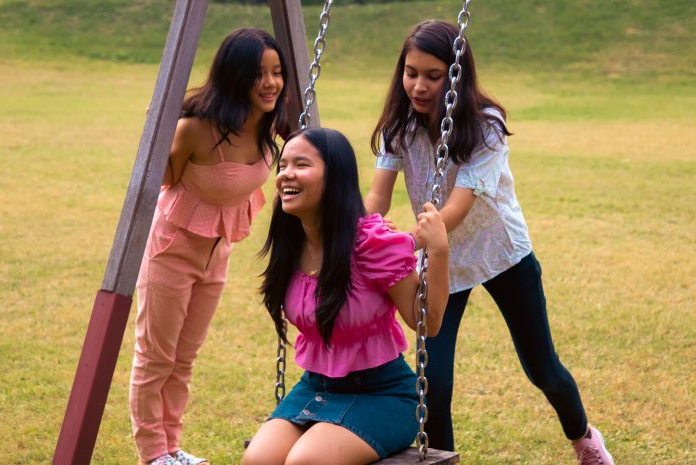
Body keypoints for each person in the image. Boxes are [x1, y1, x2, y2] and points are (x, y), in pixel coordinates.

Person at [364, 20, 615, 465]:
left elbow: (456, 211)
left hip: (502, 254)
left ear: (456, 76)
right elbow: (379, 196)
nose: (418, 86)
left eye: (433, 76)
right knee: (433, 383)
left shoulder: (485, 126)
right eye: (411, 72)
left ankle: (585, 440)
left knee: (543, 369)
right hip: (444, 263)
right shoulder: (398, 126)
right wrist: (361, 235)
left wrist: (404, 244)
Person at [242, 127, 450, 465]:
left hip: (383, 393)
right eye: (283, 165)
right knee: (257, 460)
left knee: (305, 462)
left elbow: (428, 323)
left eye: (302, 164)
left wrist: (438, 250)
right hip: (316, 387)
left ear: (334, 178)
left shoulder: (371, 243)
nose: (286, 175)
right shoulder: (290, 243)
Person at [129, 28, 288, 465]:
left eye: (276, 72)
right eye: (258, 74)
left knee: (184, 358)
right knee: (156, 357)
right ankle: (152, 455)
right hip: (171, 251)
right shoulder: (196, 130)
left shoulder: (271, 121)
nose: (270, 83)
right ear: (235, 76)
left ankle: (172, 448)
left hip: (218, 254)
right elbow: (164, 179)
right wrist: (157, 127)